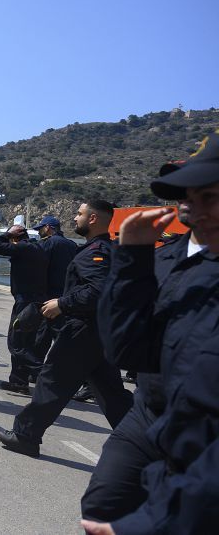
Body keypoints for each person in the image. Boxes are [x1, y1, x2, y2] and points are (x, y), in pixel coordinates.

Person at [81, 145, 219, 528]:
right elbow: (125, 348)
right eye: (188, 196)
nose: (193, 208)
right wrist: (132, 256)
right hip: (152, 415)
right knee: (101, 506)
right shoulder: (166, 257)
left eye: (208, 196)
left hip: (205, 438)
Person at [0, 200, 133, 458]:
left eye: (79, 214)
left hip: (83, 330)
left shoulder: (96, 252)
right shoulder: (105, 248)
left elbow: (98, 291)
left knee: (51, 381)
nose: (75, 217)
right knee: (112, 395)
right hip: (99, 331)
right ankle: (145, 445)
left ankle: (26, 436)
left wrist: (62, 303)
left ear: (93, 219)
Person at [0, 224, 47, 394]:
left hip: (25, 301)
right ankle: (19, 381)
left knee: (16, 344)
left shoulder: (23, 247)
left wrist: (7, 233)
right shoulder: (37, 248)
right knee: (25, 342)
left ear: (17, 237)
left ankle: (45, 373)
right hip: (34, 300)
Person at [32, 214, 78, 385]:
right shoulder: (73, 245)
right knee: (55, 337)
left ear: (49, 228)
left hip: (47, 297)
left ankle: (36, 371)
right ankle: (38, 372)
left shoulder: (48, 243)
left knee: (41, 337)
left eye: (40, 229)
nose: (39, 233)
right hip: (65, 299)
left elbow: (38, 266)